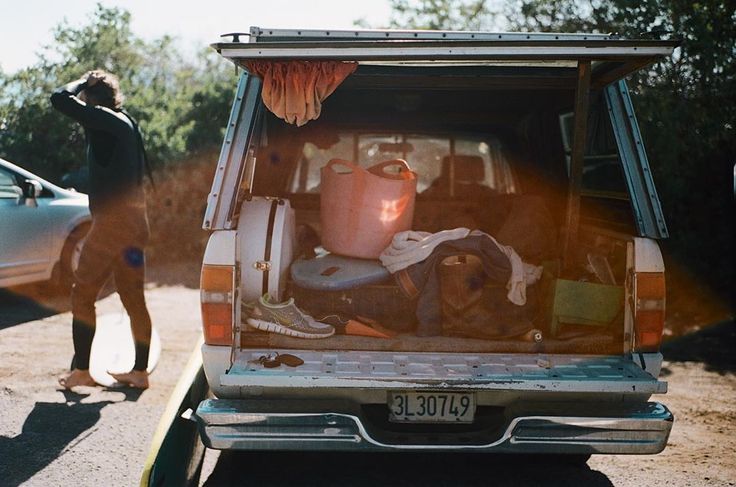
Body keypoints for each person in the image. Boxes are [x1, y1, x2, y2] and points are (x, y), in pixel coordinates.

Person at [51, 70, 152, 389]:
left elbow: (59, 99)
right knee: (133, 298)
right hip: (136, 224)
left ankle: (81, 371)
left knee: (82, 294)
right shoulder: (127, 122)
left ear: (93, 100)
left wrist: (82, 80)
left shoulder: (104, 118)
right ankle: (139, 373)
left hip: (112, 226)